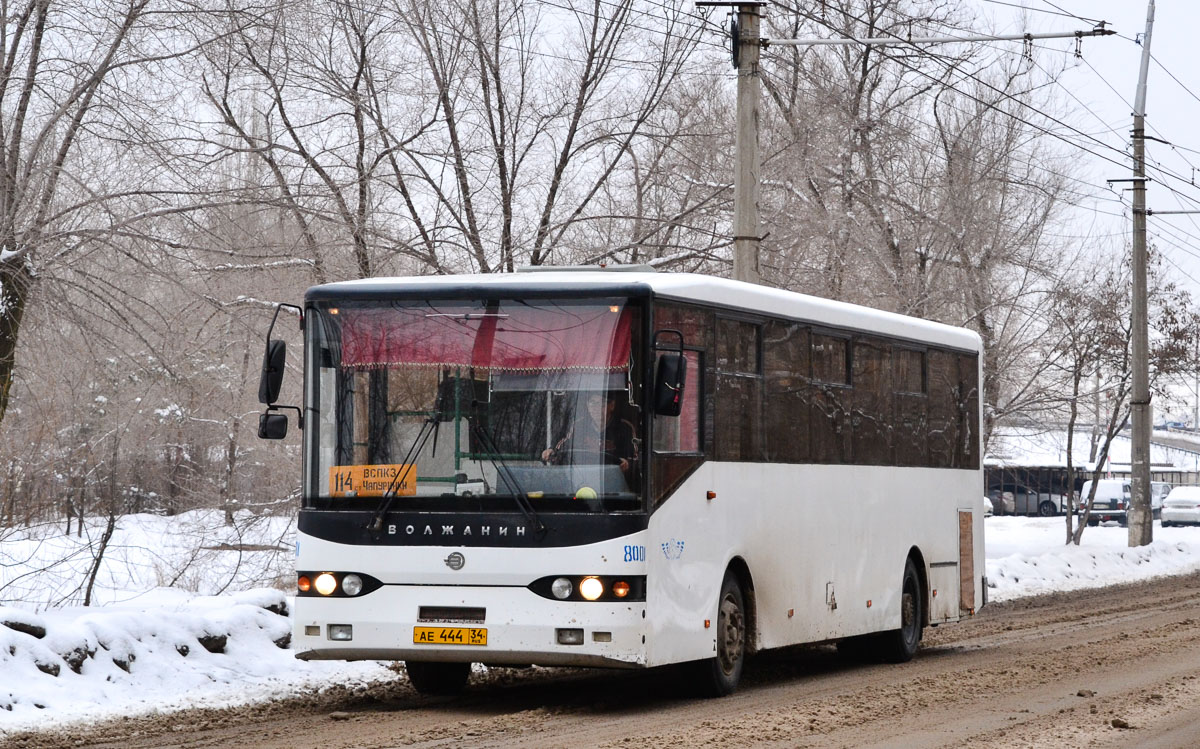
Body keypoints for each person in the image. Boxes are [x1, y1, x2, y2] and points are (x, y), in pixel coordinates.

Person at [541, 391, 638, 474]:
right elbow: (564, 445)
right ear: (587, 406)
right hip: (582, 476)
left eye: (601, 403)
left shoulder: (625, 427)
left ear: (611, 405)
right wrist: (551, 451)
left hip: (613, 479)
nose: (596, 408)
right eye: (592, 403)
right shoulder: (578, 425)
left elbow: (636, 458)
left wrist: (627, 463)